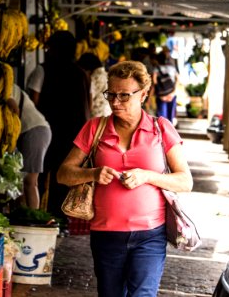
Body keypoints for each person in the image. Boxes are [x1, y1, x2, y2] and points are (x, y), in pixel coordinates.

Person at [57, 60, 193, 296]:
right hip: (106, 235)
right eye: (111, 94)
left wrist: (147, 176)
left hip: (150, 235)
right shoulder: (95, 129)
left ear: (143, 95)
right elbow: (63, 174)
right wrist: (93, 173)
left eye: (124, 96)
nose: (115, 102)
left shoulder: (161, 129)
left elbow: (185, 181)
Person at [27, 30, 91, 217]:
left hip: (47, 129)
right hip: (74, 133)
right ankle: (61, 217)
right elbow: (89, 104)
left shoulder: (43, 69)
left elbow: (33, 100)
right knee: (65, 175)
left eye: (49, 47)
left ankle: (43, 215)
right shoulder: (81, 74)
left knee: (41, 174)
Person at [6, 84, 52, 209]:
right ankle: (22, 214)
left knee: (29, 181)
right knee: (20, 180)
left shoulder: (7, 88)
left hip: (35, 130)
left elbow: (15, 110)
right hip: (31, 131)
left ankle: (33, 216)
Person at [77, 53, 111, 118]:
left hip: (97, 116)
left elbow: (89, 101)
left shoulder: (93, 78)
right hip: (108, 114)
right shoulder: (108, 75)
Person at [152, 51, 179, 124]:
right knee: (170, 116)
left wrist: (159, 93)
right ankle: (169, 132)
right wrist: (173, 91)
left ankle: (162, 132)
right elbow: (177, 79)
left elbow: (154, 82)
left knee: (162, 117)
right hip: (172, 94)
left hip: (162, 95)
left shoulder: (156, 69)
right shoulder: (172, 68)